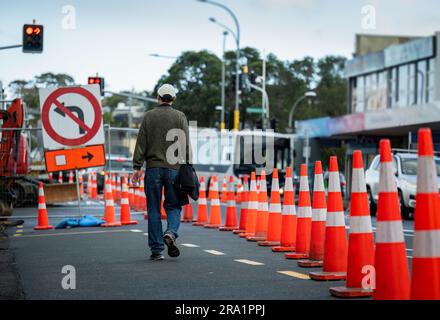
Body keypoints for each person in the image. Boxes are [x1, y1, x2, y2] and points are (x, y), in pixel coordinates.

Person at [132, 84, 191, 261]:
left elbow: (141, 142)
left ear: (158, 97)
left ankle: (157, 250)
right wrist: (188, 165)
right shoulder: (180, 116)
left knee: (154, 209)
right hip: (174, 169)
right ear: (173, 99)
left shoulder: (149, 116)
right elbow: (185, 144)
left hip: (153, 168)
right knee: (173, 205)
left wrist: (137, 167)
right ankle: (171, 233)